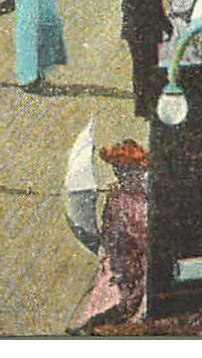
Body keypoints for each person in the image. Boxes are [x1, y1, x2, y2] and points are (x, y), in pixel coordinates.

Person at [69, 140, 151, 333]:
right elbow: (114, 229)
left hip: (141, 256)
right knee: (110, 293)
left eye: (134, 172)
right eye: (124, 173)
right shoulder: (117, 199)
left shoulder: (145, 197)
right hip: (121, 256)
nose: (130, 177)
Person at [121, 0, 173, 119]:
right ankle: (148, 108)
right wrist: (168, 27)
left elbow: (126, 8)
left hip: (134, 33)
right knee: (148, 70)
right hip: (145, 34)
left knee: (139, 70)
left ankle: (141, 107)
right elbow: (155, 11)